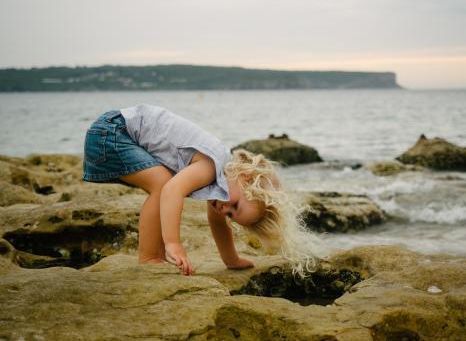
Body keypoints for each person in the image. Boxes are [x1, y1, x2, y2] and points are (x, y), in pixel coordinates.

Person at [82, 104, 318, 277]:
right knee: (163, 185)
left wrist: (231, 259)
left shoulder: (224, 187)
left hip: (115, 134)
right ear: (245, 178)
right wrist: (173, 243)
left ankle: (153, 256)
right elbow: (172, 191)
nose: (224, 209)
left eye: (231, 215)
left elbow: (218, 224)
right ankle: (150, 257)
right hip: (112, 133)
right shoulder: (210, 166)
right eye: (235, 206)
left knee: (161, 183)